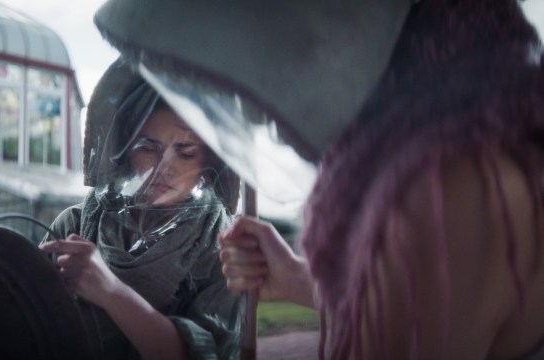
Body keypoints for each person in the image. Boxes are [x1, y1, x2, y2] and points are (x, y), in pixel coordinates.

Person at [94, 0, 544, 358]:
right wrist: (299, 280)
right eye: (147, 146)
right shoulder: (467, 159)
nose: (255, 110)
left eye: (280, 48)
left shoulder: (447, 187)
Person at [38, 59, 241, 360]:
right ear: (123, 150)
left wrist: (108, 288)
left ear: (207, 164)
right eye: (148, 148)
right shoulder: (75, 227)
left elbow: (203, 355)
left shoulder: (226, 252)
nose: (164, 168)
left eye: (184, 153)